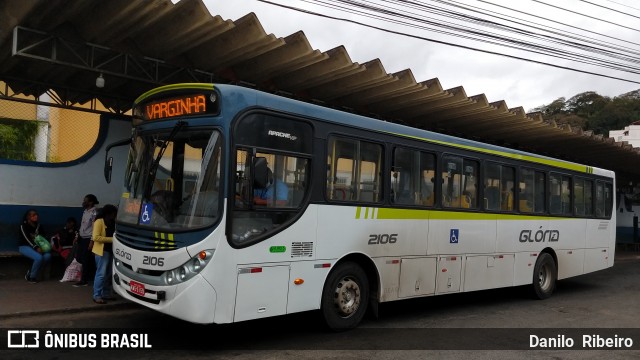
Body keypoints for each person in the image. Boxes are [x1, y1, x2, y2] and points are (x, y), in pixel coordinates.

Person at [91, 204, 117, 304]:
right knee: (101, 274)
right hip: (102, 252)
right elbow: (95, 237)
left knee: (108, 274)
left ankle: (105, 294)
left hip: (111, 251)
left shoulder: (112, 222)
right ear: (108, 213)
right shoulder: (99, 221)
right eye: (114, 213)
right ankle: (96, 295)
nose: (115, 215)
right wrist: (112, 240)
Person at [18, 209, 51, 283]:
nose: (36, 216)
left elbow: (43, 237)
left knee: (47, 256)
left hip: (38, 247)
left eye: (36, 215)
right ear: (28, 217)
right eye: (33, 215)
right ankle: (32, 277)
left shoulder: (38, 226)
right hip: (24, 246)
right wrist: (35, 247)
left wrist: (44, 246)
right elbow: (26, 238)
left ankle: (30, 272)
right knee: (39, 258)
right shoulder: (23, 226)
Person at [73, 194, 98, 287]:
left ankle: (84, 280)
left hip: (88, 238)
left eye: (85, 200)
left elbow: (94, 228)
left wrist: (92, 241)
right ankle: (90, 275)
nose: (84, 202)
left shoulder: (94, 213)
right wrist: (77, 236)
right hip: (82, 238)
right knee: (79, 257)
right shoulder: (85, 211)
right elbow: (82, 225)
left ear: (91, 202)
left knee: (85, 259)